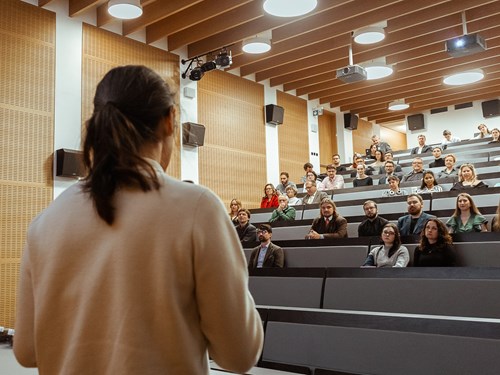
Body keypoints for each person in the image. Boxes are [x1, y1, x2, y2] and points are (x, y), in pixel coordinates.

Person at [13, 66, 263, 375]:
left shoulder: (45, 223)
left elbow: (26, 351)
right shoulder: (197, 208)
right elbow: (239, 354)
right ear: (169, 120)